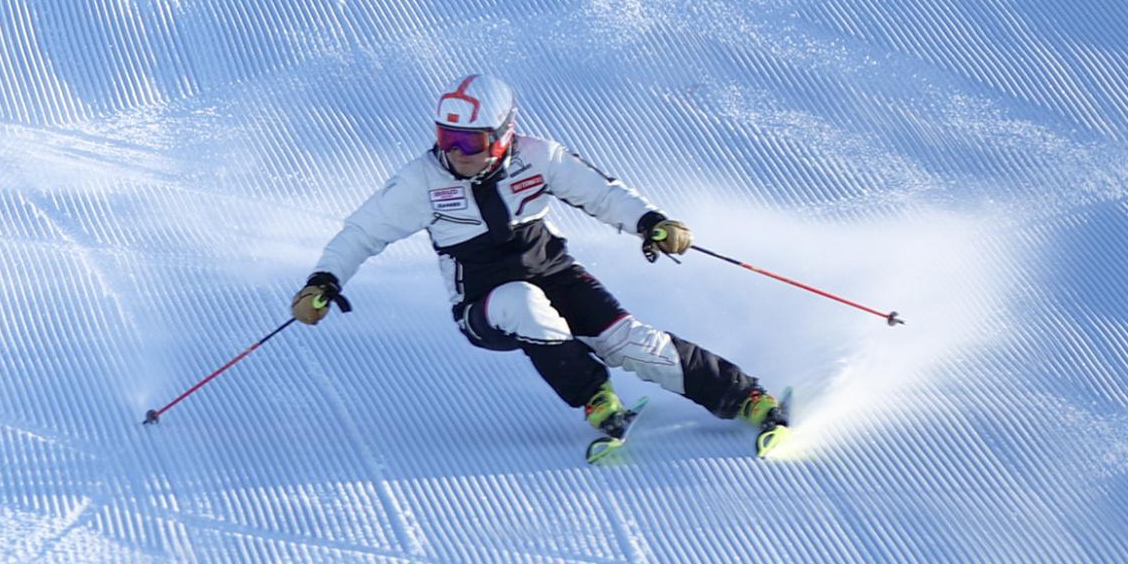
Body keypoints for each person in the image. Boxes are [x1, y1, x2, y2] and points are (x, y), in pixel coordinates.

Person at [290, 74, 788, 450]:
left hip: (555, 272)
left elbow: (602, 193)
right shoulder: (421, 182)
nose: (456, 153)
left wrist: (650, 222)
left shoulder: (539, 156)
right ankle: (596, 398)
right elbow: (361, 234)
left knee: (631, 342)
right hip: (482, 302)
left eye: (470, 142)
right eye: (446, 139)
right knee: (523, 304)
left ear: (505, 133)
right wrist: (323, 282)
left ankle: (744, 397)